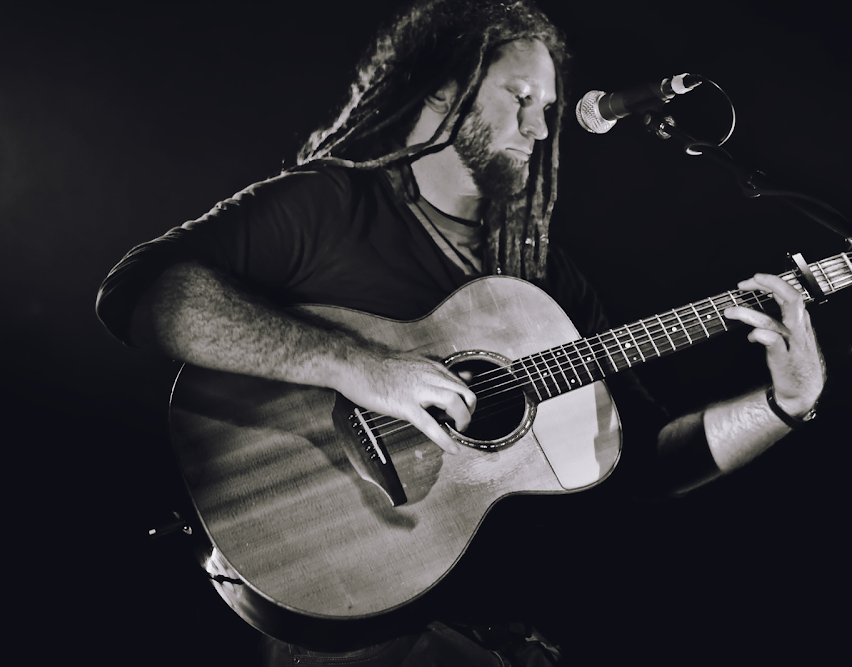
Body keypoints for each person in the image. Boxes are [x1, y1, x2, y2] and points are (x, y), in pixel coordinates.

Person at [96, 1, 825, 663]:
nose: (540, 128)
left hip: (506, 640)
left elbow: (643, 460)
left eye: (548, 107)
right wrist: (360, 367)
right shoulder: (334, 204)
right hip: (352, 625)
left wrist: (787, 401)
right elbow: (141, 294)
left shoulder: (547, 282)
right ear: (443, 89)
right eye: (520, 97)